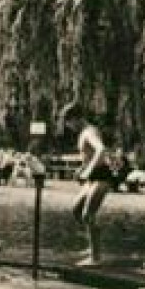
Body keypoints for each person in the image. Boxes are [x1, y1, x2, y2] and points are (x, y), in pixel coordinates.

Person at [61, 102, 115, 265]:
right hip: (92, 178)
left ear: (76, 119)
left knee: (87, 214)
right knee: (77, 210)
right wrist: (82, 168)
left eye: (68, 122)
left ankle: (95, 258)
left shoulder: (89, 132)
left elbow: (101, 150)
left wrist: (88, 171)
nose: (68, 127)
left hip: (101, 177)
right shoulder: (84, 132)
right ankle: (93, 244)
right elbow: (90, 155)